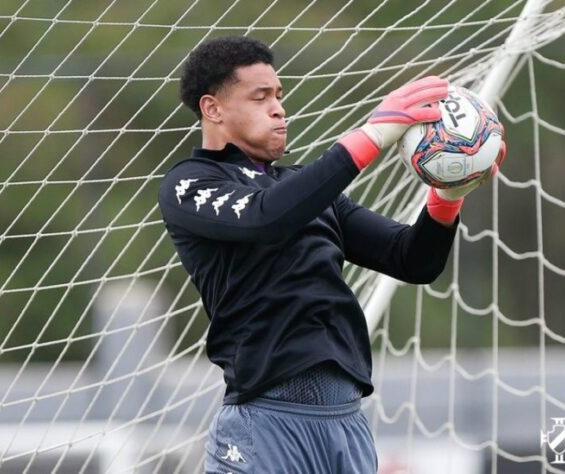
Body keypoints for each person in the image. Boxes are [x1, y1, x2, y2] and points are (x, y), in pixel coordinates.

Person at [158, 36, 505, 473]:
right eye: (260, 96)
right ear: (213, 109)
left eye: (279, 96)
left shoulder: (307, 190)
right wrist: (372, 134)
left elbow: (412, 260)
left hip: (345, 426)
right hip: (267, 425)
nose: (279, 108)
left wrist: (447, 197)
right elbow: (267, 218)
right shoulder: (190, 184)